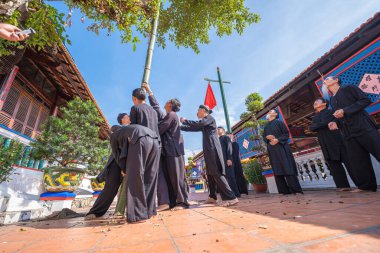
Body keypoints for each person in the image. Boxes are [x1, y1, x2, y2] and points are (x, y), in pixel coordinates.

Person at [325, 76, 380, 192]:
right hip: (348, 133)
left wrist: (345, 111)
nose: (325, 81)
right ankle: (366, 186)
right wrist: (335, 123)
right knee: (359, 161)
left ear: (336, 80)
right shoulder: (332, 100)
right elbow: (340, 116)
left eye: (328, 79)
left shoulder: (348, 88)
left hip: (363, 127)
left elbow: (365, 100)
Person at [143, 83, 189, 211]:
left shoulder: (172, 115)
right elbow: (157, 107)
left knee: (177, 177)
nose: (166, 101)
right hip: (169, 152)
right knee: (171, 177)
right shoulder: (167, 115)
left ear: (170, 104)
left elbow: (160, 129)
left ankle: (182, 202)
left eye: (168, 101)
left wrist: (145, 129)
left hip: (174, 151)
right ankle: (174, 202)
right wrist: (149, 91)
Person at [180, 105, 238, 207]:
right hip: (208, 150)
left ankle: (231, 197)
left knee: (216, 172)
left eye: (198, 111)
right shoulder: (205, 123)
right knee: (210, 174)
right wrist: (180, 127)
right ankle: (212, 197)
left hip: (213, 150)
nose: (197, 113)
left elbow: (198, 123)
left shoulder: (209, 119)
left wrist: (185, 121)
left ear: (203, 111)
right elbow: (194, 128)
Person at [111, 124, 160, 223]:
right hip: (155, 140)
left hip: (140, 138)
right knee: (150, 176)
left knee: (134, 176)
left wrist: (124, 169)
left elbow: (116, 154)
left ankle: (138, 215)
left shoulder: (114, 135)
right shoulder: (127, 130)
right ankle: (149, 211)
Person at [309, 98, 352, 191]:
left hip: (337, 140)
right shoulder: (315, 117)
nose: (315, 102)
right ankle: (342, 186)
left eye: (317, 101)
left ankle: (361, 184)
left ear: (324, 104)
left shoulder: (331, 112)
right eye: (314, 102)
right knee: (334, 165)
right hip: (325, 143)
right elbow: (311, 128)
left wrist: (319, 125)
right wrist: (322, 124)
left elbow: (319, 125)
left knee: (349, 163)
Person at [85, 125, 124, 220]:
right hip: (116, 164)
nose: (107, 137)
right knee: (110, 189)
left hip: (120, 162)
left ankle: (96, 212)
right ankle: (95, 212)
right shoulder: (116, 132)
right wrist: (124, 167)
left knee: (111, 189)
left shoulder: (118, 131)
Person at [263, 109, 303, 195]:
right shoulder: (265, 127)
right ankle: (283, 190)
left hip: (282, 147)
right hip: (272, 150)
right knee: (277, 169)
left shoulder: (279, 122)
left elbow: (286, 134)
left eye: (270, 112)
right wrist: (267, 138)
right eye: (268, 112)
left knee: (287, 167)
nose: (268, 113)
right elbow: (264, 138)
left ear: (275, 114)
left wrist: (277, 140)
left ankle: (296, 190)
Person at [217, 127, 240, 198]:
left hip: (227, 160)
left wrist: (229, 159)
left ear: (223, 130)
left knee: (231, 177)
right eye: (217, 129)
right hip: (221, 162)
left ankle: (236, 194)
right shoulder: (218, 140)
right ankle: (229, 194)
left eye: (219, 129)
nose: (217, 130)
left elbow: (229, 148)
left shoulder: (226, 137)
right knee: (225, 178)